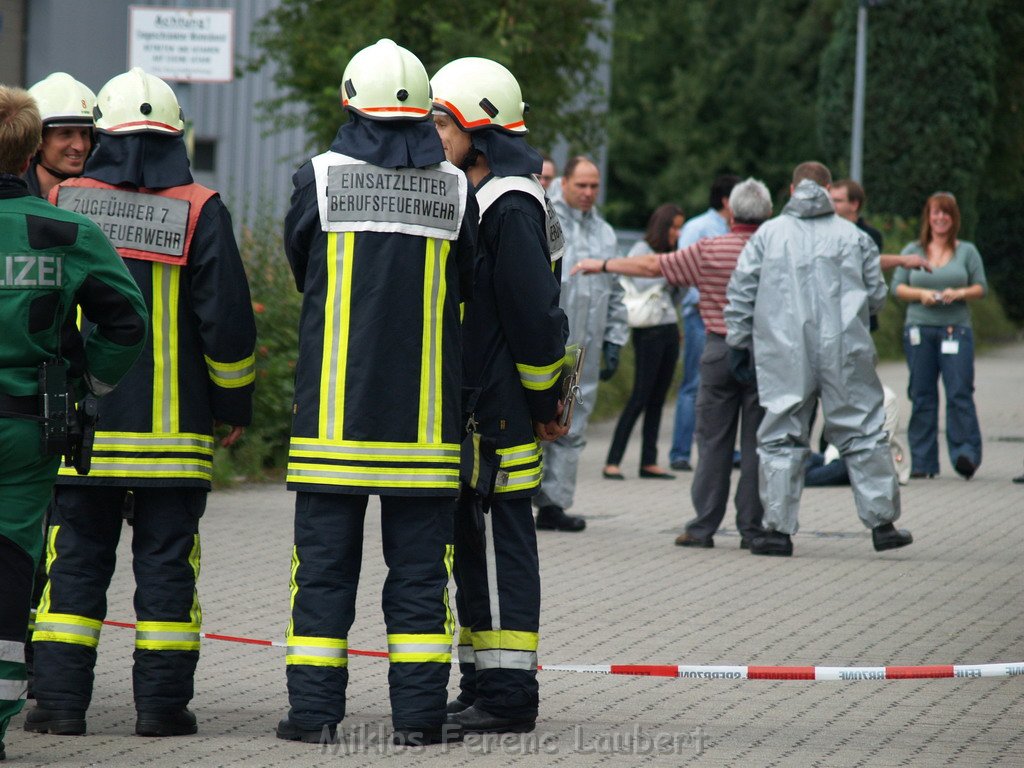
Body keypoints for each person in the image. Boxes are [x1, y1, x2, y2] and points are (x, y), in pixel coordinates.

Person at [25, 68, 256, 738]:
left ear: (104, 135)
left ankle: (62, 705)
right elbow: (227, 324)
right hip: (175, 436)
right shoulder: (201, 206)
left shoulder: (67, 200)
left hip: (81, 432)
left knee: (74, 570)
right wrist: (231, 404)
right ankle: (161, 710)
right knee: (167, 574)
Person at [276, 40, 477, 747]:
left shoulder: (319, 178)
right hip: (424, 429)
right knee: (421, 580)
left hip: (333, 422)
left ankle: (312, 718)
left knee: (324, 575)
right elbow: (467, 289)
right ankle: (419, 722)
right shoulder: (455, 187)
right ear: (425, 112)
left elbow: (303, 267)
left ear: (347, 102)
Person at [0, 84, 147, 760]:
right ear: (33, 148)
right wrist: (93, 381)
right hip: (26, 432)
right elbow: (125, 318)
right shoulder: (67, 232)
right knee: (9, 571)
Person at [430, 56, 569, 735]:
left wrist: (544, 404)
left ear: (477, 128)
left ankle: (510, 698)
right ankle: (480, 681)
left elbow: (535, 320)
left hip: (501, 410)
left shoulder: (509, 203)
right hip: (475, 405)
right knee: (469, 547)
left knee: (500, 544)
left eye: (441, 119)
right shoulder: (481, 195)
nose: (431, 130)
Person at [724, 161, 912, 557]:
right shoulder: (854, 236)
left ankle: (777, 530)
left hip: (783, 348)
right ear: (828, 188)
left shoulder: (767, 235)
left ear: (790, 190)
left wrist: (739, 342)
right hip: (845, 347)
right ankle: (882, 524)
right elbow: (877, 295)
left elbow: (742, 290)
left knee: (781, 436)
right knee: (863, 430)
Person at [573, 178, 771, 549]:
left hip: (718, 349)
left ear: (732, 213)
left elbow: (653, 266)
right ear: (768, 214)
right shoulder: (776, 251)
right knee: (757, 443)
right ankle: (753, 529)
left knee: (712, 441)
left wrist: (602, 264)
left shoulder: (710, 249)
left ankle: (702, 528)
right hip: (767, 355)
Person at [533, 156, 629, 532]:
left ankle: (554, 505)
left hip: (584, 350)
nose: (588, 193)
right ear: (566, 183)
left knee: (572, 427)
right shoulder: (545, 219)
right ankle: (517, 496)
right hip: (546, 345)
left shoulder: (605, 233)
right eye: (581, 185)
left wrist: (615, 341)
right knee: (537, 423)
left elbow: (616, 291)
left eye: (594, 186)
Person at [890, 192, 988, 480]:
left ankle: (965, 453)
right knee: (922, 395)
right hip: (919, 329)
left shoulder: (967, 252)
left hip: (955, 329)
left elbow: (981, 287)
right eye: (936, 213)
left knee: (959, 392)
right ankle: (923, 462)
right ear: (928, 217)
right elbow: (897, 287)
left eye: (946, 213)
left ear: (954, 218)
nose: (941, 218)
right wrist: (921, 294)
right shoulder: (913, 250)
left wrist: (960, 292)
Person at [602, 203, 682, 481]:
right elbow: (637, 285)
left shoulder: (672, 253)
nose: (677, 232)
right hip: (647, 330)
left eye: (680, 227)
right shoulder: (641, 251)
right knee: (640, 395)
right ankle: (613, 460)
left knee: (658, 398)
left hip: (668, 327)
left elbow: (676, 295)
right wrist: (663, 273)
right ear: (663, 226)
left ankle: (649, 461)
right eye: (674, 226)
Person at [669, 174, 740, 472]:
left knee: (723, 384)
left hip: (728, 318)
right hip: (701, 314)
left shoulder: (729, 229)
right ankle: (680, 452)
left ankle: (720, 450)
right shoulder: (698, 227)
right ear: (726, 200)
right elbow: (684, 268)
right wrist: (707, 297)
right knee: (694, 384)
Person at [831, 179, 930, 272]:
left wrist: (902, 260)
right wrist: (902, 260)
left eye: (837, 201)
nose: (831, 205)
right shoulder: (822, 231)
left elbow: (864, 263)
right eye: (829, 200)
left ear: (854, 205)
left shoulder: (869, 235)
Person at [23, 73, 95, 200]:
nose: (80, 146)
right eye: (66, 134)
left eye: (84, 133)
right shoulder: (12, 195)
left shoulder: (100, 196)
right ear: (38, 140)